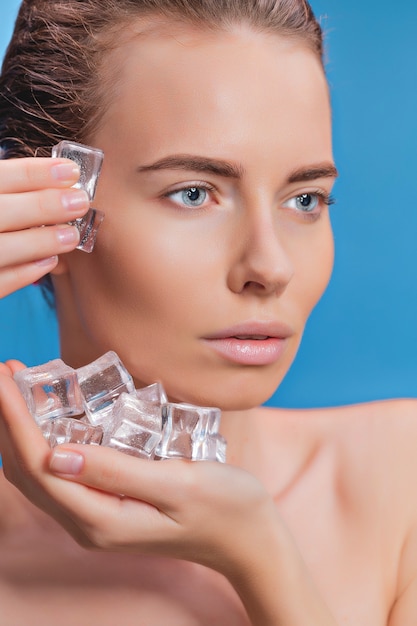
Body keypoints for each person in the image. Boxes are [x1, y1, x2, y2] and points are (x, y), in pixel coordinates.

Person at [0, 1, 416, 624]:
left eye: (305, 198)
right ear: (50, 207)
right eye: (193, 193)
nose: (271, 267)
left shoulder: (402, 478)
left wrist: (259, 552)